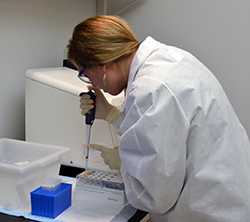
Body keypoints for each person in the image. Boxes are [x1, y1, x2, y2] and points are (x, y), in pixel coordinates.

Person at [67, 15, 250, 222]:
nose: (91, 82)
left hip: (209, 211)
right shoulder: (166, 59)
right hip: (228, 196)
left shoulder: (151, 89)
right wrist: (111, 115)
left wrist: (123, 164)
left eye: (84, 73)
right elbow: (166, 132)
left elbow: (154, 197)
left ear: (101, 64)